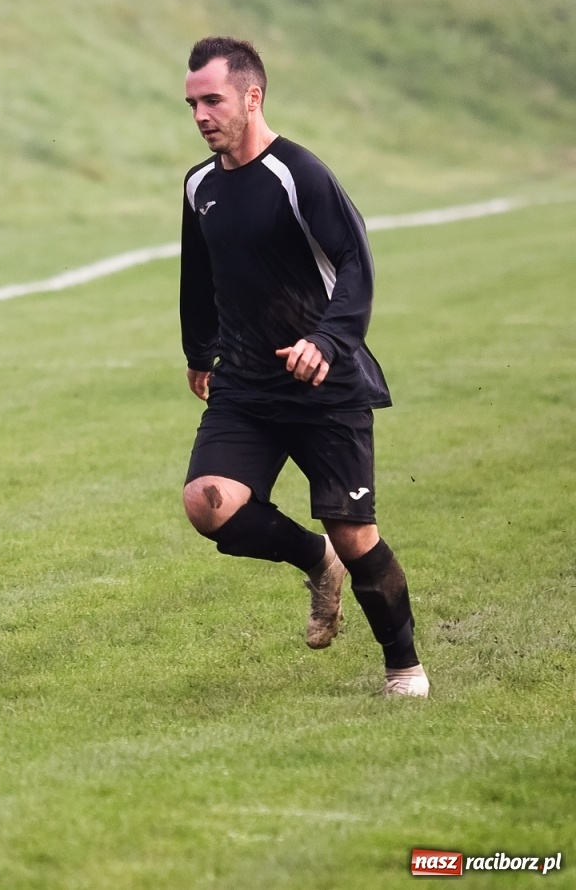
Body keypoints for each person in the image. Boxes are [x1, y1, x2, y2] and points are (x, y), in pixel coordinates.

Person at [178, 36, 428, 697]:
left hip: (325, 387)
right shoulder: (198, 185)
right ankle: (314, 560)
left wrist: (328, 340)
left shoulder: (300, 175)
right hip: (246, 387)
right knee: (208, 504)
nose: (201, 115)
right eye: (192, 103)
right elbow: (198, 273)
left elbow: (356, 262)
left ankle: (404, 667)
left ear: (252, 97)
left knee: (355, 533)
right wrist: (199, 352)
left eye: (213, 100)